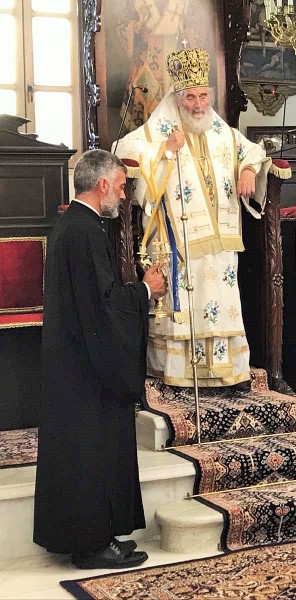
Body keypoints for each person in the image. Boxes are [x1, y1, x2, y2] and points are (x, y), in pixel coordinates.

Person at [33, 150, 167, 568]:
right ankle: (91, 545)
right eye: (122, 187)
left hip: (74, 362)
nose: (124, 197)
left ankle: (96, 537)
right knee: (90, 452)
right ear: (103, 184)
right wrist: (146, 290)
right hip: (88, 370)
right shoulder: (86, 231)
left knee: (85, 451)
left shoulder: (73, 226)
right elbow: (104, 306)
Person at [116, 47, 271, 389]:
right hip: (178, 240)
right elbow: (123, 150)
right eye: (190, 97)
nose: (199, 105)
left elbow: (252, 150)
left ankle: (226, 373)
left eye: (203, 96)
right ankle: (181, 376)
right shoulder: (159, 129)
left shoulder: (220, 130)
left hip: (221, 242)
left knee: (222, 301)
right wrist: (164, 151)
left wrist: (247, 169)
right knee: (188, 302)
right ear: (177, 97)